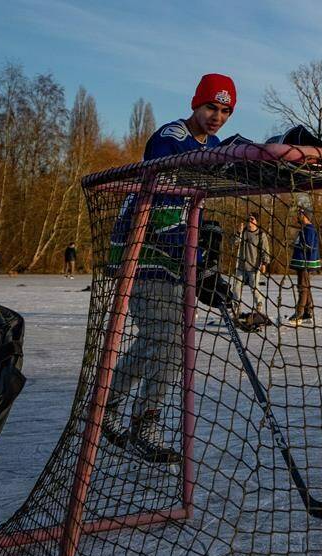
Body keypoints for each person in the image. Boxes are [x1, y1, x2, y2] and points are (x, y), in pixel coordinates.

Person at [105, 72, 236, 463]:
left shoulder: (213, 145)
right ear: (196, 103)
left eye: (226, 110)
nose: (217, 116)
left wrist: (206, 260)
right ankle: (141, 421)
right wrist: (197, 260)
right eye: (211, 106)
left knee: (161, 340)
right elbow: (163, 207)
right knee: (165, 340)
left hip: (174, 251)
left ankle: (108, 408)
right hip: (143, 248)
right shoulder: (171, 138)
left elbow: (192, 208)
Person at [287, 207, 320, 325]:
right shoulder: (304, 229)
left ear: (305, 216)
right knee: (306, 286)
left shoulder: (309, 229)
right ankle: (308, 311)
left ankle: (299, 313)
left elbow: (309, 246)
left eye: (300, 214)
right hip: (302, 262)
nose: (298, 216)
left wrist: (298, 245)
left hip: (305, 263)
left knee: (302, 287)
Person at [235, 212, 269, 315]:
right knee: (236, 288)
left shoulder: (261, 234)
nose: (250, 221)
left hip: (253, 267)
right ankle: (236, 308)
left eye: (252, 219)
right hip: (240, 266)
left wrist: (264, 263)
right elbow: (234, 243)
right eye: (248, 219)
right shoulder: (243, 232)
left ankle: (259, 305)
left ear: (256, 222)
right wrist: (238, 232)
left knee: (254, 288)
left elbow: (265, 250)